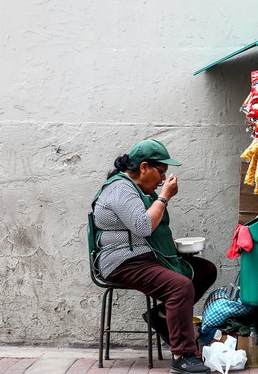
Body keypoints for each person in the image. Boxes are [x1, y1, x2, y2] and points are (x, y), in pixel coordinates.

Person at [91, 139, 216, 374]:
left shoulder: (135, 189)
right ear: (144, 167)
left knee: (204, 270)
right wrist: (165, 197)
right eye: (161, 172)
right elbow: (142, 226)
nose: (162, 180)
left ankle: (160, 316)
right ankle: (183, 356)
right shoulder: (120, 188)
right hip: (122, 261)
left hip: (146, 257)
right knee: (179, 286)